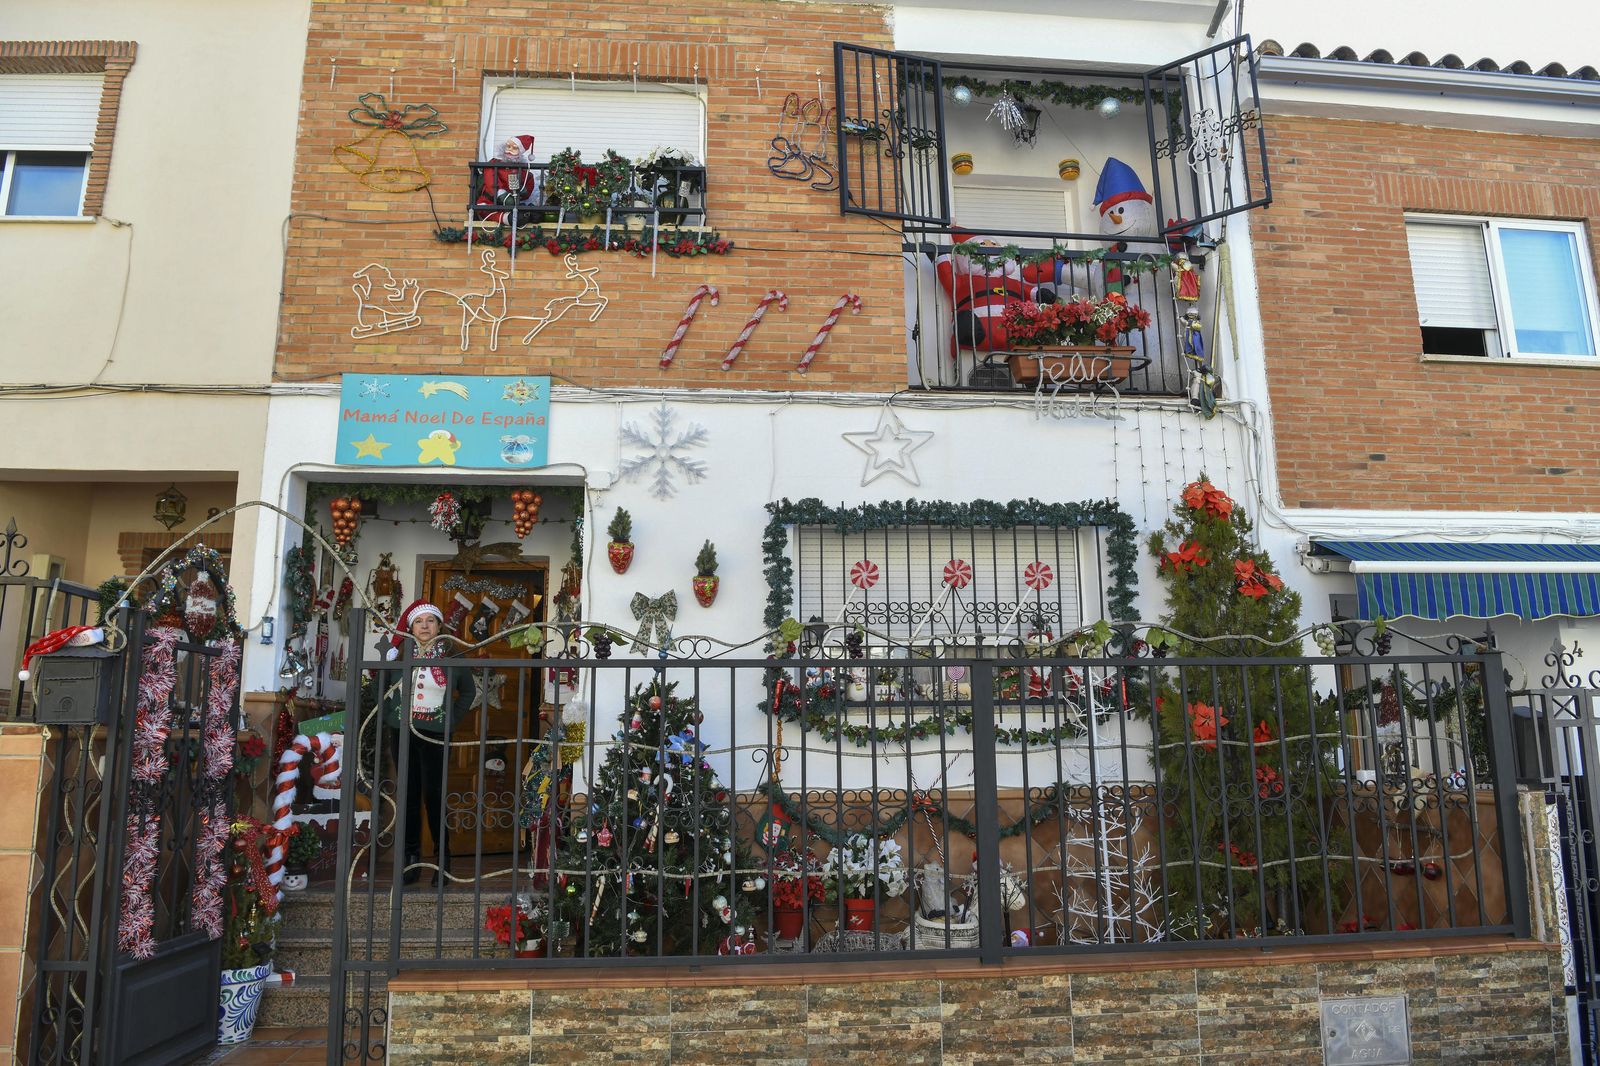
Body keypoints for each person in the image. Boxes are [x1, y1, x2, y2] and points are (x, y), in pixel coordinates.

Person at [383, 599, 474, 884]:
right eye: (419, 621)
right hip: (403, 732)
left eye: (430, 621)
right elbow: (380, 688)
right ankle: (410, 860)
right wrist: (391, 718)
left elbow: (469, 693)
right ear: (410, 627)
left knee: (434, 796)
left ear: (439, 626)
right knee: (408, 796)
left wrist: (450, 723)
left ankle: (442, 859)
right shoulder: (398, 656)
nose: (424, 626)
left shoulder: (453, 657)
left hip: (435, 735)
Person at [476, 134, 538, 224]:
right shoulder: (494, 163)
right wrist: (500, 193)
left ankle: (518, 217)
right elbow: (490, 179)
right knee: (485, 210)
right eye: (508, 146)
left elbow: (527, 190)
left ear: (520, 151)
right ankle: (508, 219)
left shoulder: (526, 173)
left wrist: (523, 191)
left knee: (521, 214)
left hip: (512, 205)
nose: (510, 150)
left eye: (514, 148)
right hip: (490, 200)